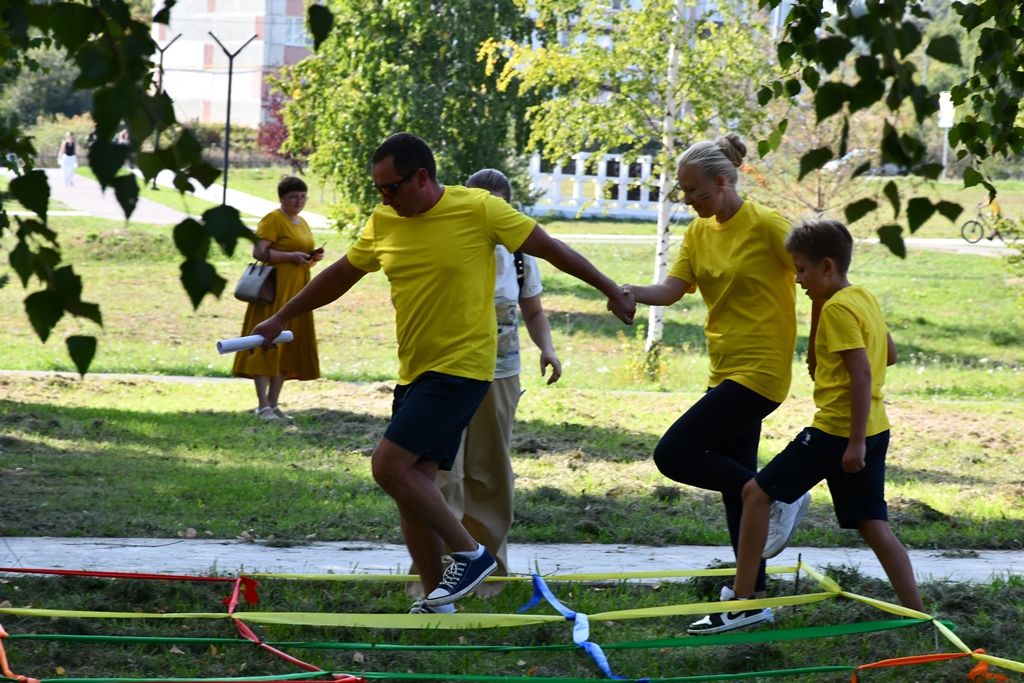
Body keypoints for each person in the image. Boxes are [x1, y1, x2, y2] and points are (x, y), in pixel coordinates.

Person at [250, 133, 633, 614]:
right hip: (414, 369)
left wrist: (609, 288)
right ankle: (438, 601)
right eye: (379, 189)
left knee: (388, 466)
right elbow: (341, 274)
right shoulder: (384, 221)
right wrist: (281, 316)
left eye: (391, 187)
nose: (384, 197)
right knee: (415, 489)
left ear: (422, 177)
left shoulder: (478, 209)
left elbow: (550, 248)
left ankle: (472, 555)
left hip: (464, 367)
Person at [622, 133, 809, 635]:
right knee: (738, 489)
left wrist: (829, 339)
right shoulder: (697, 233)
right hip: (723, 368)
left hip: (763, 369)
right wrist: (631, 291)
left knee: (674, 454)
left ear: (723, 182)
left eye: (695, 192)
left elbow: (816, 273)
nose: (688, 200)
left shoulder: (767, 226)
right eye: (683, 193)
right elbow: (672, 289)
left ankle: (778, 494)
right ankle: (750, 599)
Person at [721, 219, 925, 626]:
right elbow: (890, 354)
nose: (798, 279)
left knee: (756, 495)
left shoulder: (836, 309)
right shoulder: (863, 297)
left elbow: (863, 373)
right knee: (873, 524)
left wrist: (852, 444)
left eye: (801, 269)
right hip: (874, 429)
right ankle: (918, 614)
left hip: (837, 432)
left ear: (827, 266)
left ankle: (744, 602)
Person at [408, 168, 562, 600]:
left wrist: (547, 348)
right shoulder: (450, 245)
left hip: (500, 373)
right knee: (441, 472)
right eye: (479, 202)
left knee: (489, 469)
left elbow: (533, 310)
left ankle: (489, 572)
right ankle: (434, 572)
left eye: (497, 204)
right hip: (448, 370)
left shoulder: (518, 254)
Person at [232, 176, 323, 421]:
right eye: (293, 197)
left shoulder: (302, 222)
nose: (299, 201)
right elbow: (259, 251)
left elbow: (300, 252)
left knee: (287, 347)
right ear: (282, 198)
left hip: (296, 292)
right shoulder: (273, 219)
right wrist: (290, 256)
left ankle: (274, 403)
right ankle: (262, 405)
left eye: (303, 197)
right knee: (266, 343)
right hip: (273, 291)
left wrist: (310, 258)